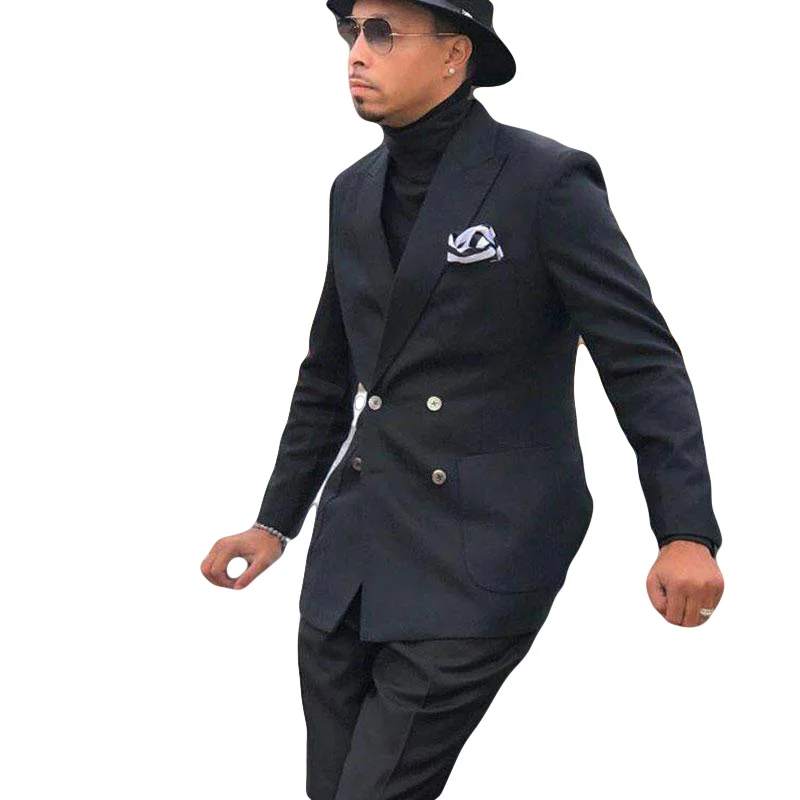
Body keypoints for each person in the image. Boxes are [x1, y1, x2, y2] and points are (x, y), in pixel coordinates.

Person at [200, 1, 725, 797]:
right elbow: (328, 374)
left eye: (383, 32)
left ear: (455, 56)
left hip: (482, 550)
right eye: (351, 31)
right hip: (354, 557)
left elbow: (642, 362)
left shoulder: (546, 183)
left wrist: (685, 529)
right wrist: (274, 522)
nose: (357, 51)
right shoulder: (352, 191)